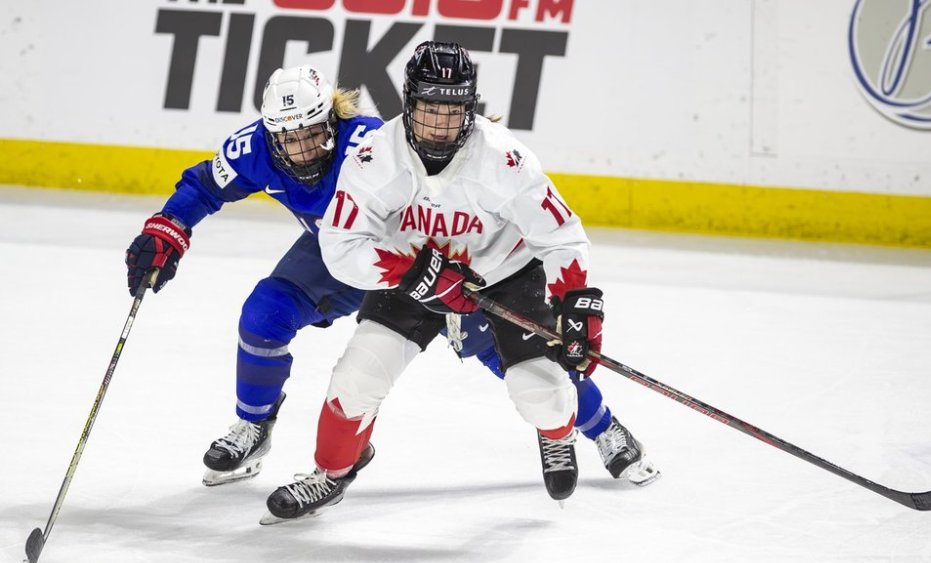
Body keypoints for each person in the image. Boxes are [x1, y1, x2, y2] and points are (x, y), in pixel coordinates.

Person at [123, 63, 660, 492]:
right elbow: (202, 186)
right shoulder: (256, 148)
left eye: (313, 134)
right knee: (264, 315)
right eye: (289, 139)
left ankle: (599, 426)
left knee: (518, 359)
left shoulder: (371, 143)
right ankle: (254, 425)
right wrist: (168, 228)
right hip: (347, 255)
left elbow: (472, 204)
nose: (303, 150)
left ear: (332, 122)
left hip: (421, 257)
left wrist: (452, 271)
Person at [263, 42, 652, 524]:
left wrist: (577, 303)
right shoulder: (373, 157)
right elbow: (340, 245)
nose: (439, 125)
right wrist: (409, 272)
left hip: (504, 275)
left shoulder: (504, 160)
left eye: (451, 111)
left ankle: (557, 433)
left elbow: (561, 235)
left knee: (543, 394)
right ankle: (331, 473)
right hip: (412, 274)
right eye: (428, 109)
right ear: (409, 102)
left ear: (470, 109)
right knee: (355, 378)